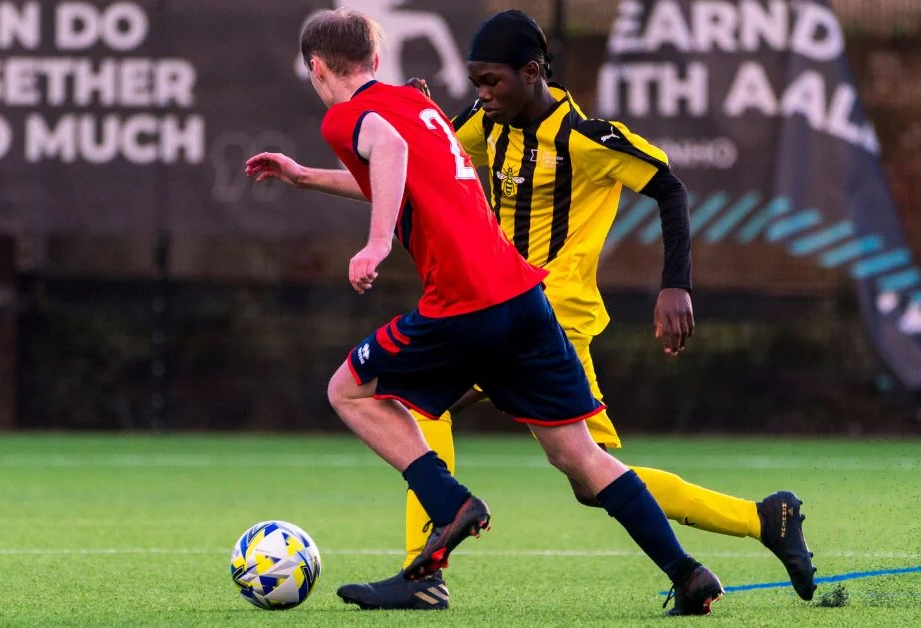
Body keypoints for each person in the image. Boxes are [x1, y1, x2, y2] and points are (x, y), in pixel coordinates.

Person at [248, 8, 815, 614]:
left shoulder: (361, 116)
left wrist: (378, 242)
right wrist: (305, 176)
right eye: (479, 82)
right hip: (525, 301)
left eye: (493, 81)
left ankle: (443, 530)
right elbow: (403, 168)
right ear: (378, 60)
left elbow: (384, 149)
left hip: (496, 309)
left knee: (354, 392)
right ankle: (691, 570)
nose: (484, 93)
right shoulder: (429, 110)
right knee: (580, 461)